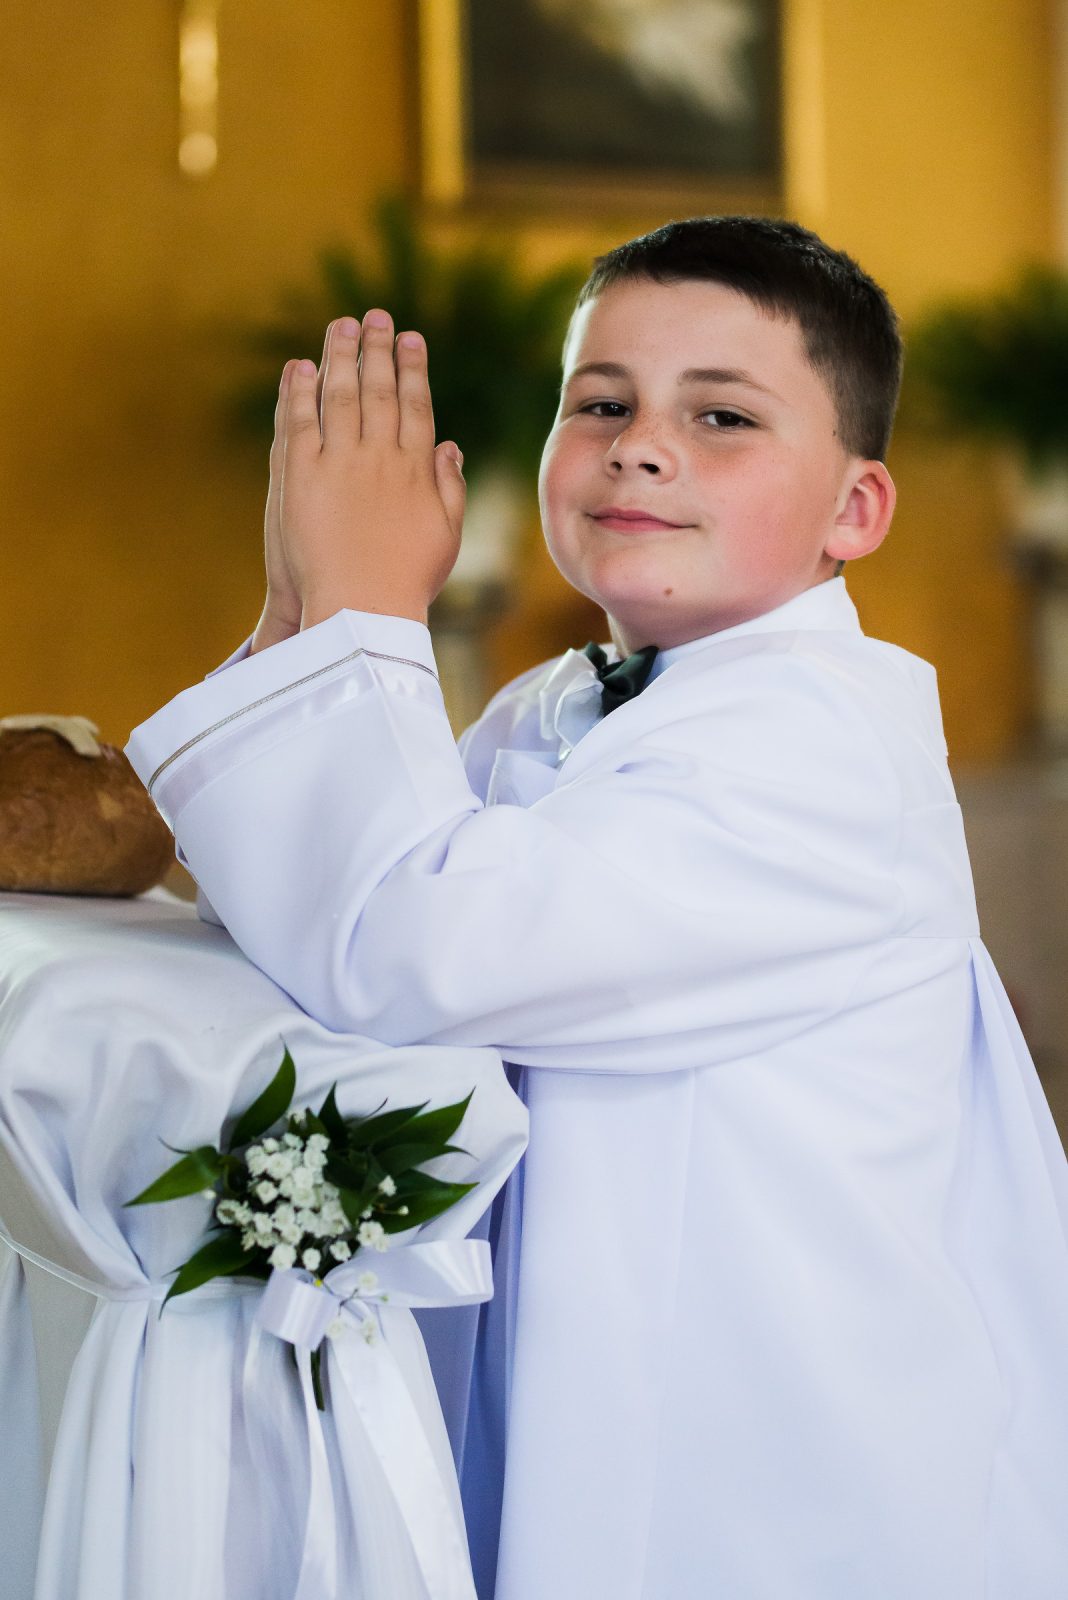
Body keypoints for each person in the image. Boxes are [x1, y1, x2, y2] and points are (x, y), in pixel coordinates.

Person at [127, 217, 1068, 1599]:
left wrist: (361, 618)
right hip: (610, 1386)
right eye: (602, 404)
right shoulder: (556, 704)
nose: (641, 447)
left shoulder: (815, 748)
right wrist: (298, 618)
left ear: (855, 512)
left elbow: (416, 954)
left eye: (722, 416)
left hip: (788, 1463)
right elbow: (317, 917)